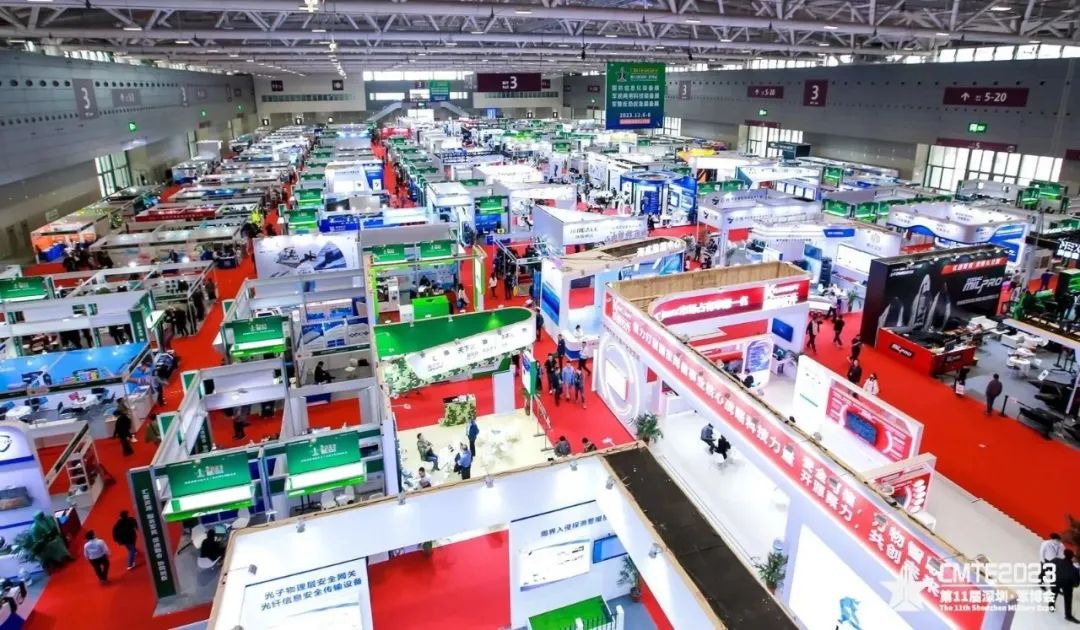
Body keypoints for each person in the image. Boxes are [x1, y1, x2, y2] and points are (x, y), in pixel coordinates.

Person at [1049, 548, 1080, 621]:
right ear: (1072, 557)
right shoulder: (1074, 569)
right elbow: (1076, 583)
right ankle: (1068, 616)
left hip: (1055, 581)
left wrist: (1052, 577)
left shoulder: (1056, 560)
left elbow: (1048, 566)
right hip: (1067, 586)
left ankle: (1051, 605)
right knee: (1068, 600)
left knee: (1053, 593)